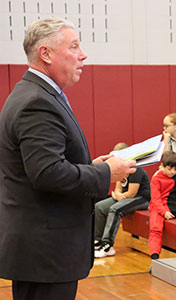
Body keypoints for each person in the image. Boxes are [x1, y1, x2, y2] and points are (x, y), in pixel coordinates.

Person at [0, 18, 136, 300]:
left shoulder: (39, 95)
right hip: (46, 251)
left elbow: (47, 165)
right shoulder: (37, 102)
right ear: (46, 54)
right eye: (74, 46)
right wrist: (105, 174)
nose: (83, 54)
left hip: (43, 251)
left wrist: (94, 168)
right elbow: (48, 173)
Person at [94, 142, 151, 258]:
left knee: (115, 209)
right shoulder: (120, 169)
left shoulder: (135, 169)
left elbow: (132, 193)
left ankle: (107, 245)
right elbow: (118, 189)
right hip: (125, 197)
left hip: (140, 199)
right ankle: (97, 241)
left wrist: (118, 196)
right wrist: (117, 195)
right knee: (99, 207)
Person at [149, 151, 176, 261]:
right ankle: (154, 256)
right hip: (158, 207)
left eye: (175, 169)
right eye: (169, 169)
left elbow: (173, 197)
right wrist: (164, 212)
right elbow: (156, 199)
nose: (172, 172)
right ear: (162, 166)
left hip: (172, 205)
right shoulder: (156, 179)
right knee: (155, 229)